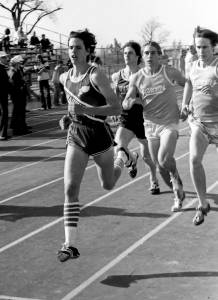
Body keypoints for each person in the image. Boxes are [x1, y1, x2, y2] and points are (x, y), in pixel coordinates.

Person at [57, 29, 137, 262]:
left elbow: (116, 108)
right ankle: (69, 245)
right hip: (77, 136)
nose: (73, 51)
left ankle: (124, 156)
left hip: (99, 135)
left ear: (88, 51)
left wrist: (88, 111)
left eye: (78, 47)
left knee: (108, 184)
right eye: (70, 47)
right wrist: (68, 118)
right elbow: (73, 107)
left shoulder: (96, 75)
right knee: (70, 188)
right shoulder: (64, 77)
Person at [123, 41, 186, 212]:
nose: (149, 56)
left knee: (165, 159)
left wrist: (187, 104)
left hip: (169, 123)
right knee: (158, 165)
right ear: (142, 57)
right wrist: (130, 101)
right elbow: (127, 99)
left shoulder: (169, 71)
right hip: (150, 125)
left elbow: (187, 84)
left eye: (152, 53)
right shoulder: (136, 77)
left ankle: (175, 179)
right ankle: (177, 191)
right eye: (146, 53)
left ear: (159, 55)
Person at [180, 27, 218, 225]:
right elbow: (188, 83)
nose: (201, 51)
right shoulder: (193, 66)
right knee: (194, 160)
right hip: (200, 123)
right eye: (198, 47)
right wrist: (185, 104)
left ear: (214, 47)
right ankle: (203, 204)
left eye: (204, 47)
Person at [111, 41, 159, 193]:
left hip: (144, 119)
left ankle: (153, 180)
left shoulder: (145, 75)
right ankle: (132, 158)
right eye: (125, 53)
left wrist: (136, 100)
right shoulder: (117, 76)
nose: (126, 56)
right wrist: (114, 110)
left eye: (130, 53)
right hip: (126, 119)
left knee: (147, 156)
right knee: (118, 148)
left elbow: (152, 99)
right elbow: (116, 96)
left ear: (138, 56)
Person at [8, 55, 31, 136]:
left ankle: (22, 127)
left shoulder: (17, 70)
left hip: (20, 94)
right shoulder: (13, 71)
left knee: (20, 112)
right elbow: (13, 83)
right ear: (16, 63)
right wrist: (21, 85)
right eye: (19, 62)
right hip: (17, 94)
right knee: (18, 112)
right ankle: (18, 129)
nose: (20, 64)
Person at [0, 51, 10, 140]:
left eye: (5, 57)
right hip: (2, 94)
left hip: (3, 93)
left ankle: (3, 133)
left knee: (3, 113)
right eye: (3, 58)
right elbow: (4, 83)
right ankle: (2, 134)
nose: (5, 59)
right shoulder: (1, 68)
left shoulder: (3, 68)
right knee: (4, 113)